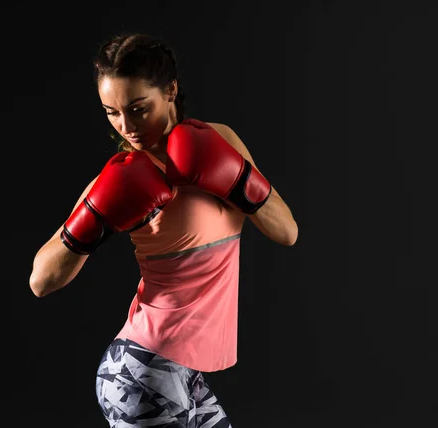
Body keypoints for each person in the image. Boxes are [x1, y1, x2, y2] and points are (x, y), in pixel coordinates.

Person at [29, 32, 298, 427]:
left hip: (184, 374)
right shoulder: (119, 180)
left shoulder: (221, 141)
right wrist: (94, 219)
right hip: (140, 373)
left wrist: (241, 183)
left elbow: (286, 231)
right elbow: (40, 280)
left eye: (138, 109)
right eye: (112, 112)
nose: (127, 127)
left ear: (170, 90)